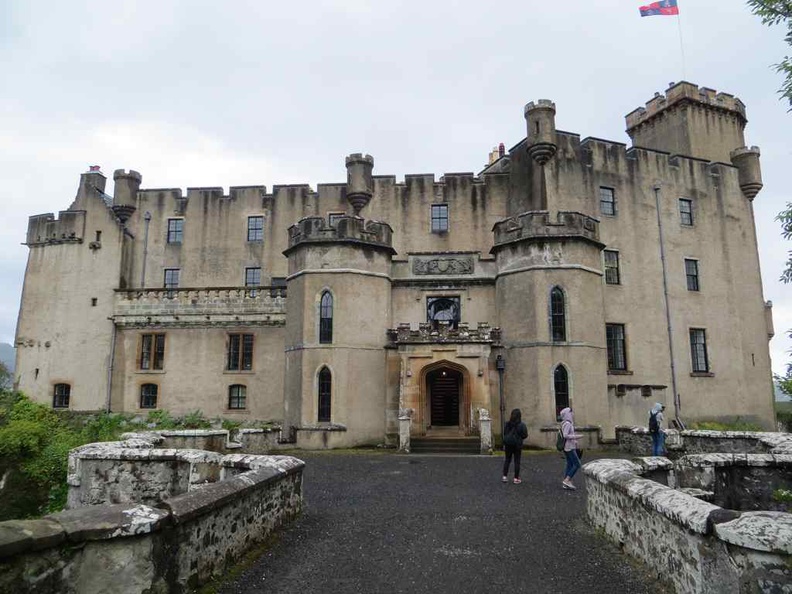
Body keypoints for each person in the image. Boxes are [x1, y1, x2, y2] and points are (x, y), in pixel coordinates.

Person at [502, 408, 528, 484]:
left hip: (508, 444)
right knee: (517, 461)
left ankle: (504, 476)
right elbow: (525, 435)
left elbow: (505, 433)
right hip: (517, 445)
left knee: (507, 460)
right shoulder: (522, 425)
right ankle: (516, 478)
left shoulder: (507, 424)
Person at [559, 407, 583, 490]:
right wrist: (577, 437)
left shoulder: (564, 423)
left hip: (567, 446)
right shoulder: (568, 423)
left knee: (569, 464)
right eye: (570, 412)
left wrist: (575, 440)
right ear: (567, 414)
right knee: (577, 464)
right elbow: (565, 435)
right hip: (569, 447)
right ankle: (567, 480)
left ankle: (566, 482)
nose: (572, 414)